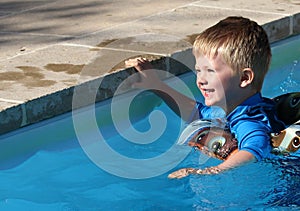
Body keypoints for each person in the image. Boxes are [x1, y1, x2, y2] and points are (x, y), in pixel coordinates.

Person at [125, 16, 286, 179]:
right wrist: (157, 85)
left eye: (211, 71)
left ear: (244, 78)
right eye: (198, 71)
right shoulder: (234, 107)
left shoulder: (249, 120)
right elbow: (197, 112)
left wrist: (207, 171)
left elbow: (253, 150)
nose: (201, 80)